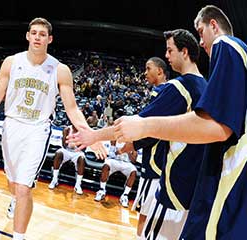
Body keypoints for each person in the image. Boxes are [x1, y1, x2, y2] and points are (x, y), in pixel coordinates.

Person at [0, 17, 106, 240]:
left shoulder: (60, 69)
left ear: (50, 39)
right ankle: (16, 201)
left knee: (23, 188)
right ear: (28, 36)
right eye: (34, 33)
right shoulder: (11, 62)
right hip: (12, 126)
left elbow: (73, 109)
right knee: (13, 184)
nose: (38, 37)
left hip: (38, 129)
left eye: (42, 34)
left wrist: (92, 134)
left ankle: (18, 235)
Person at [113, 5, 247, 239]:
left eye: (201, 32)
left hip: (223, 178)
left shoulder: (226, 45)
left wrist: (144, 126)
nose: (201, 42)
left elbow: (218, 128)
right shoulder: (212, 78)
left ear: (213, 25)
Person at [71, 29, 207, 239]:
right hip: (194, 188)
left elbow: (133, 125)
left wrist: (94, 136)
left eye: (170, 50)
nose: (167, 56)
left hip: (174, 187)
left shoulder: (181, 88)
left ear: (185, 52)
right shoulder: (205, 87)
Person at [121, 57, 169, 236]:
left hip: (154, 165)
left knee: (145, 215)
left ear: (160, 71)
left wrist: (132, 144)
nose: (145, 72)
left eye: (148, 68)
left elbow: (150, 129)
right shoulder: (162, 93)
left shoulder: (161, 92)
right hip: (160, 164)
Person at [94, 139, 137, 208]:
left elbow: (134, 160)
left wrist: (128, 151)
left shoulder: (132, 141)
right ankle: (102, 190)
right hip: (114, 160)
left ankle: (124, 196)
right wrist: (117, 151)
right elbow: (111, 155)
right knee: (106, 165)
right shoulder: (115, 139)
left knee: (133, 171)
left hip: (126, 163)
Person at [48, 125, 86, 195]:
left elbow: (83, 147)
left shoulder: (83, 131)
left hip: (77, 151)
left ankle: (78, 185)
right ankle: (54, 180)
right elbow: (63, 145)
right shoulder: (67, 129)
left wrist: (76, 143)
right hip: (67, 150)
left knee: (82, 158)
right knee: (58, 153)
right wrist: (69, 139)